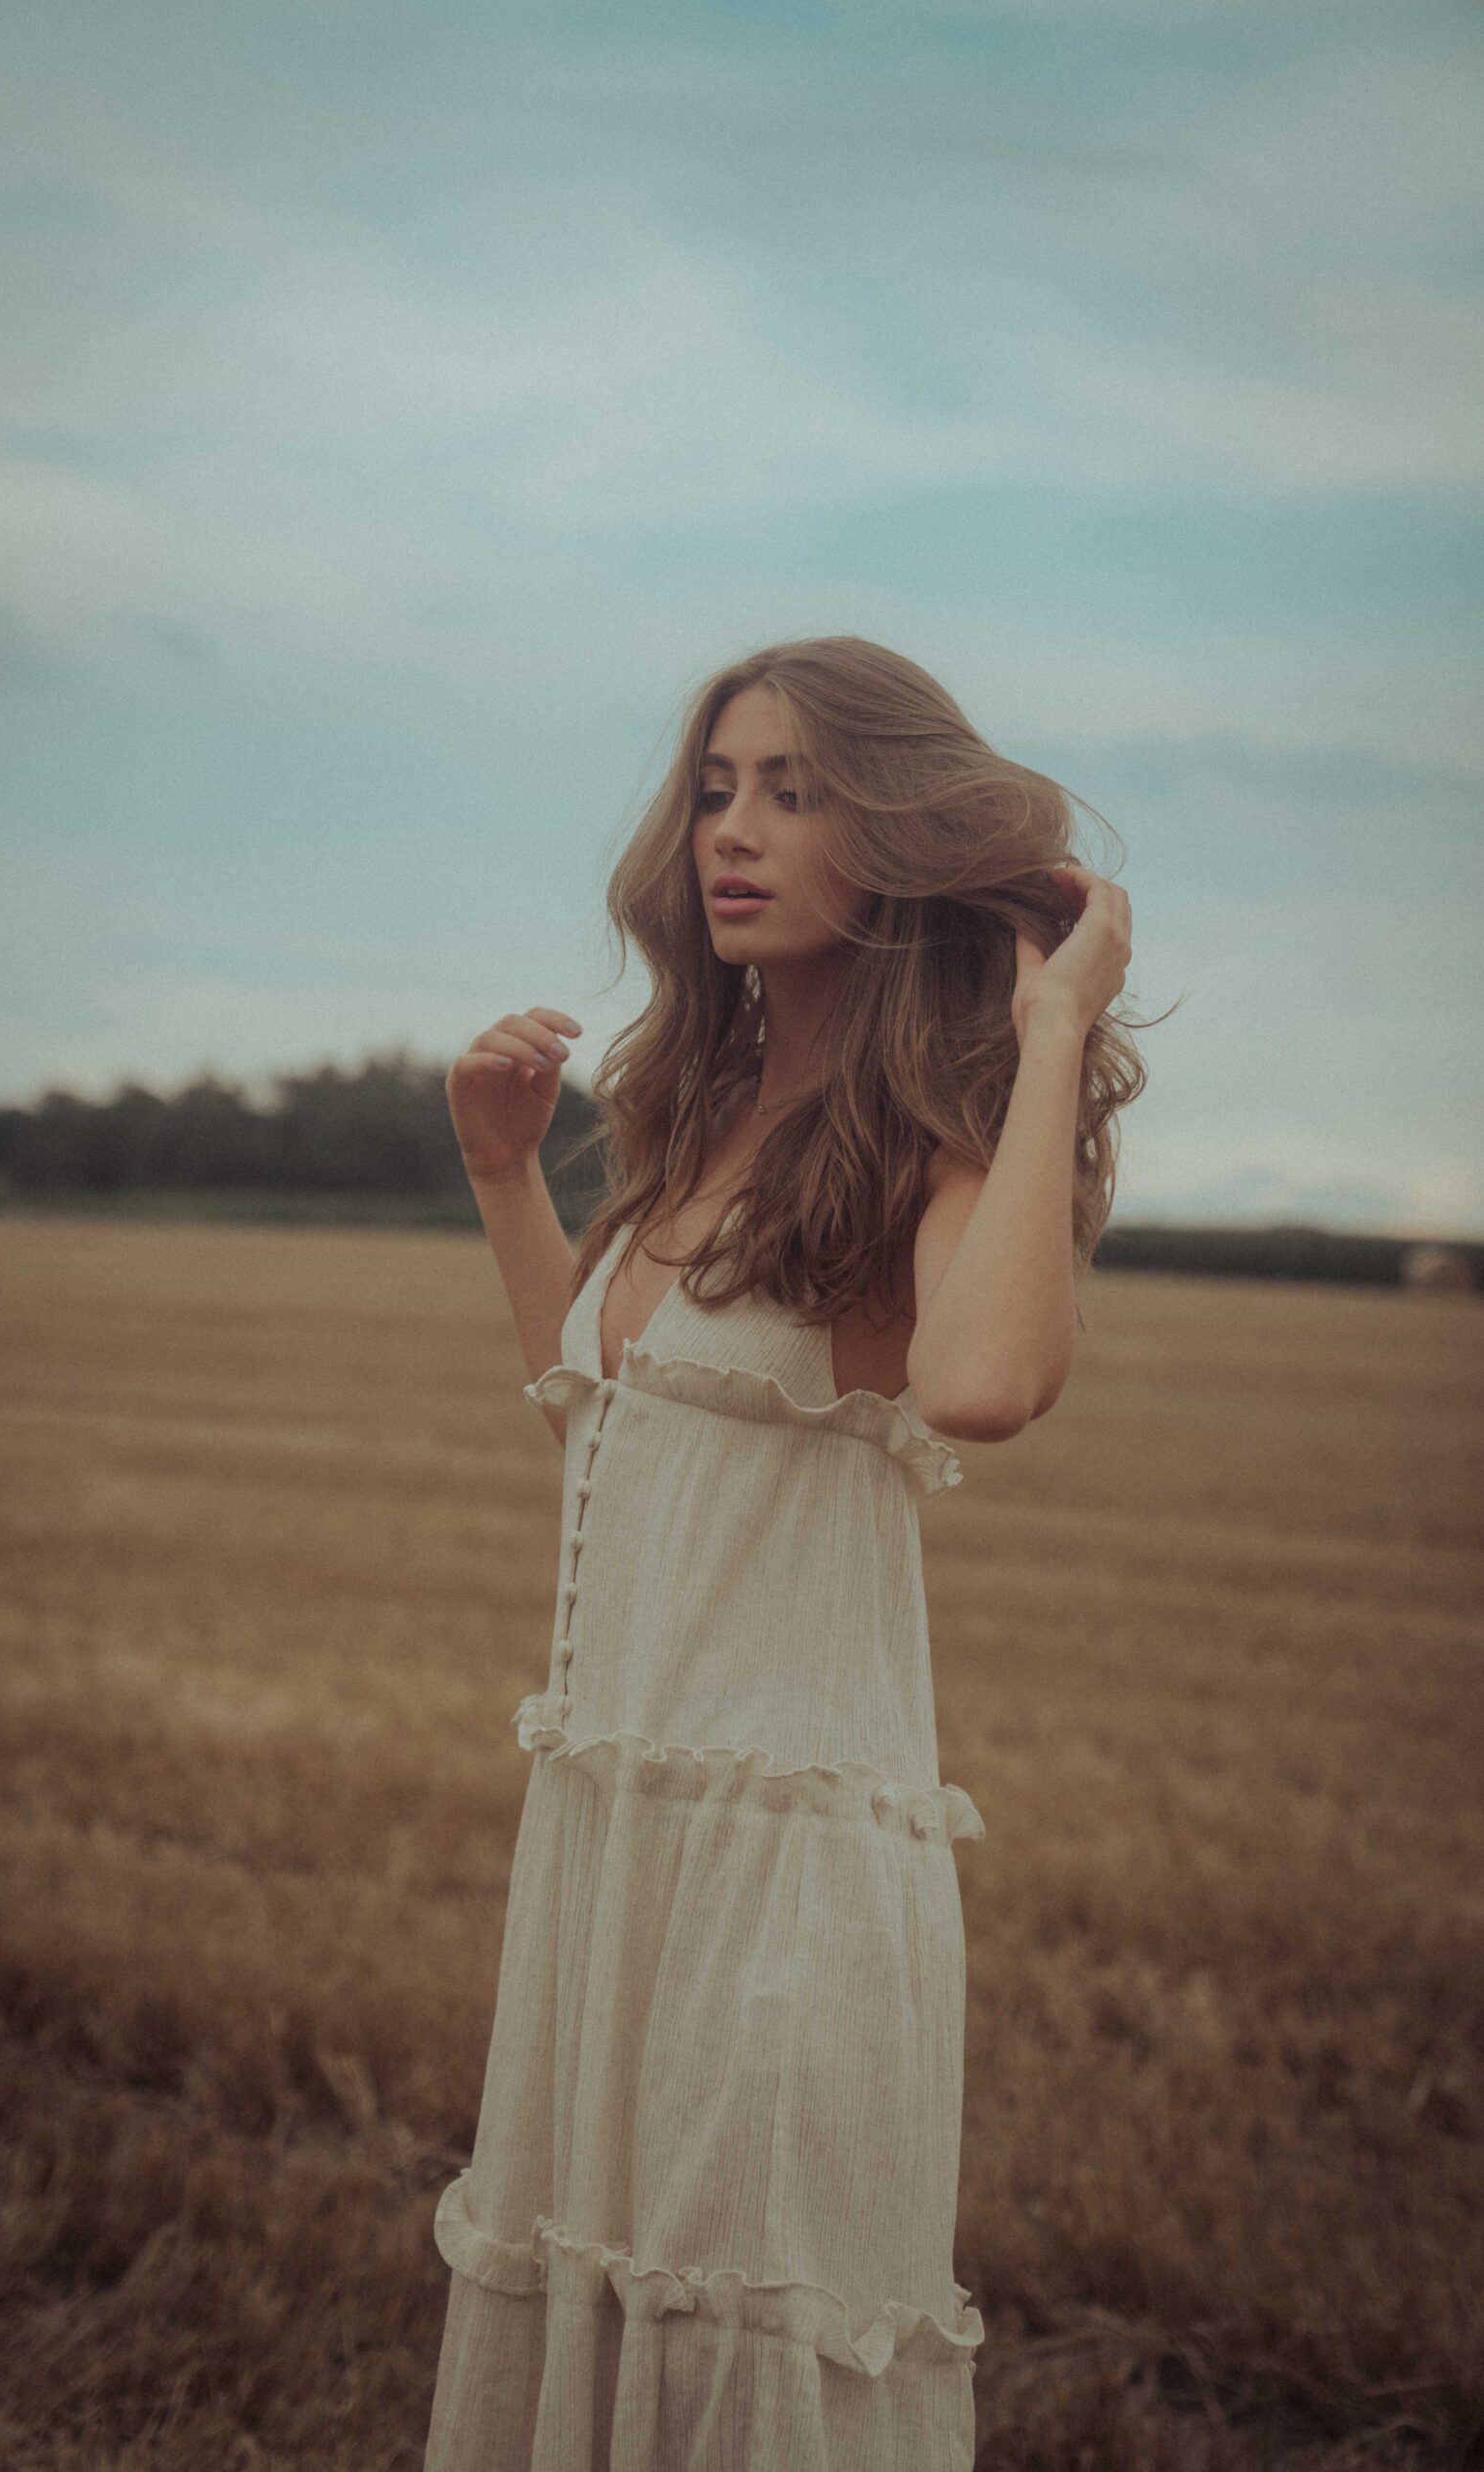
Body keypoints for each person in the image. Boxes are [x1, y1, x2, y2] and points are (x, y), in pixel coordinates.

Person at [428, 634, 1140, 2470]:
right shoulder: (689, 1120)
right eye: (721, 787)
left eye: (797, 793)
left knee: (746, 2349)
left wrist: (1052, 1023)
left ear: (898, 837)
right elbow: (599, 1407)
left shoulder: (934, 1140)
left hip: (785, 1875)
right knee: (600, 2320)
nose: (732, 832)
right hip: (614, 1842)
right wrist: (511, 1175)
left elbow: (984, 1385)